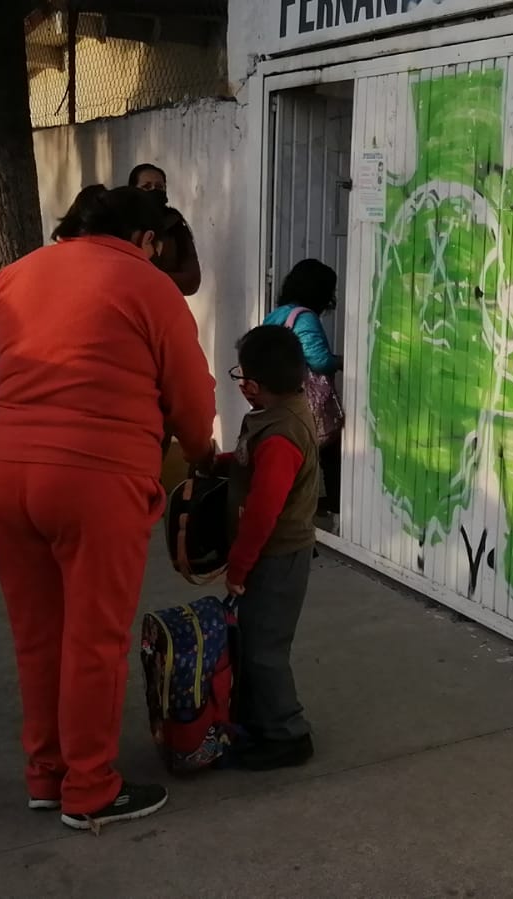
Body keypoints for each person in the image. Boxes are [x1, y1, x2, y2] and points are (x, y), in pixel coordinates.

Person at [0, 185, 218, 832]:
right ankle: (91, 786)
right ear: (146, 240)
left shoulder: (18, 274)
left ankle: (47, 775)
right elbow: (191, 395)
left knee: (38, 634)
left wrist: (7, 442)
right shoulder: (148, 285)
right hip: (98, 476)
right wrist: (200, 454)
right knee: (95, 639)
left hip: (10, 473)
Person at [219, 324, 322, 770]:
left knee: (265, 649)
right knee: (253, 641)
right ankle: (258, 720)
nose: (240, 383)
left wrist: (238, 567)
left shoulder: (281, 434)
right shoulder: (275, 415)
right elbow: (253, 464)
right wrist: (219, 463)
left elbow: (264, 511)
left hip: (277, 557)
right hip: (270, 555)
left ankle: (287, 734)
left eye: (241, 375)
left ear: (254, 386)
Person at [263, 259, 342, 518]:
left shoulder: (277, 315)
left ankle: (286, 500)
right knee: (330, 447)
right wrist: (342, 361)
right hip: (304, 401)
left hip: (280, 397)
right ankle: (333, 504)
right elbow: (319, 360)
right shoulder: (305, 317)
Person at [128, 164, 201, 296]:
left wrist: (148, 277)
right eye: (146, 187)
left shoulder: (175, 225)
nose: (153, 191)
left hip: (165, 303)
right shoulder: (121, 226)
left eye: (159, 187)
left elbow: (192, 280)